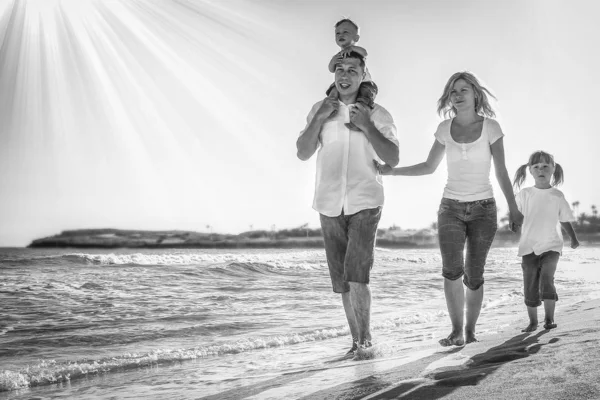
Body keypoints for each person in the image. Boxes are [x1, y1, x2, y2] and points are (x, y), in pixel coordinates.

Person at [375, 71, 523, 346]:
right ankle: (456, 331)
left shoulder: (491, 127)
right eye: (453, 91)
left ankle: (470, 330)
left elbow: (501, 171)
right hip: (450, 208)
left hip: (484, 209)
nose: (457, 95)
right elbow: (429, 167)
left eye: (464, 90)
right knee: (451, 270)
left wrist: (513, 209)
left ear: (476, 94)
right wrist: (391, 172)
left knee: (474, 274)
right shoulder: (444, 129)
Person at [296, 52, 399, 354]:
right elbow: (302, 152)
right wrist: (318, 118)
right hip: (328, 203)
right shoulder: (320, 109)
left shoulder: (378, 113)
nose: (345, 75)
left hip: (365, 200)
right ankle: (356, 342)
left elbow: (392, 157)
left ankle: (366, 342)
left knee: (357, 275)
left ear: (363, 74)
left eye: (352, 70)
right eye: (339, 70)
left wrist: (366, 125)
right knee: (343, 281)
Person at [512, 150, 579, 332]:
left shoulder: (557, 195)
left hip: (552, 246)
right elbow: (516, 214)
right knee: (530, 284)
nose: (541, 170)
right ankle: (533, 322)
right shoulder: (525, 194)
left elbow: (564, 218)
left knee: (547, 279)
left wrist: (573, 237)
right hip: (528, 247)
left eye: (545, 166)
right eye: (536, 167)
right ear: (530, 171)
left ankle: (549, 319)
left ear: (552, 169)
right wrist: (514, 222)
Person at [326, 18, 379, 131]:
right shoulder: (339, 55)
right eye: (338, 33)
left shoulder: (356, 51)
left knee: (364, 99)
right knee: (333, 91)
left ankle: (360, 120)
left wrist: (351, 48)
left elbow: (365, 53)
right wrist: (333, 61)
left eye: (346, 32)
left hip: (365, 83)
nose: (341, 35)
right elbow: (331, 69)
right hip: (345, 82)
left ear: (356, 38)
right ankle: (332, 110)